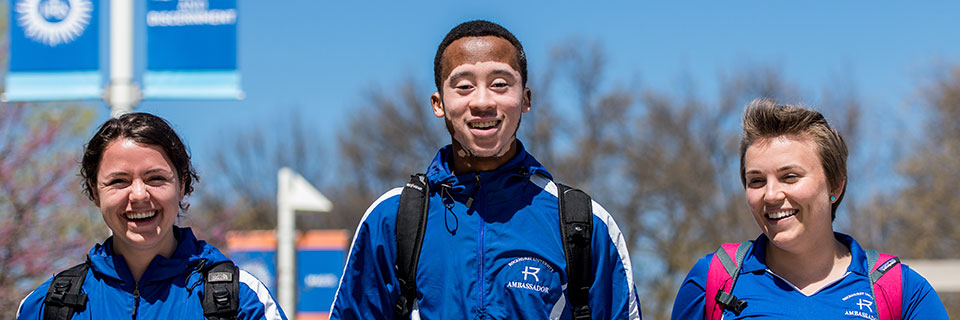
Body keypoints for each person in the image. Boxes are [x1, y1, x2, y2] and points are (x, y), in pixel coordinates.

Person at [329, 20, 641, 319]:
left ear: (526, 99)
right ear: (438, 103)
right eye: (463, 86)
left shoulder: (584, 225)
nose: (482, 101)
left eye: (500, 84)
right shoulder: (392, 219)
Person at [670, 99, 949, 319]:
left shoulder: (901, 290)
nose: (771, 194)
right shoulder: (712, 280)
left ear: (835, 188)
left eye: (790, 176)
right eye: (756, 180)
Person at [17, 113, 287, 320]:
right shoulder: (47, 305)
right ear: (94, 190)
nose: (138, 195)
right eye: (119, 181)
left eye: (155, 178)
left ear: (182, 185)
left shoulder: (242, 300)